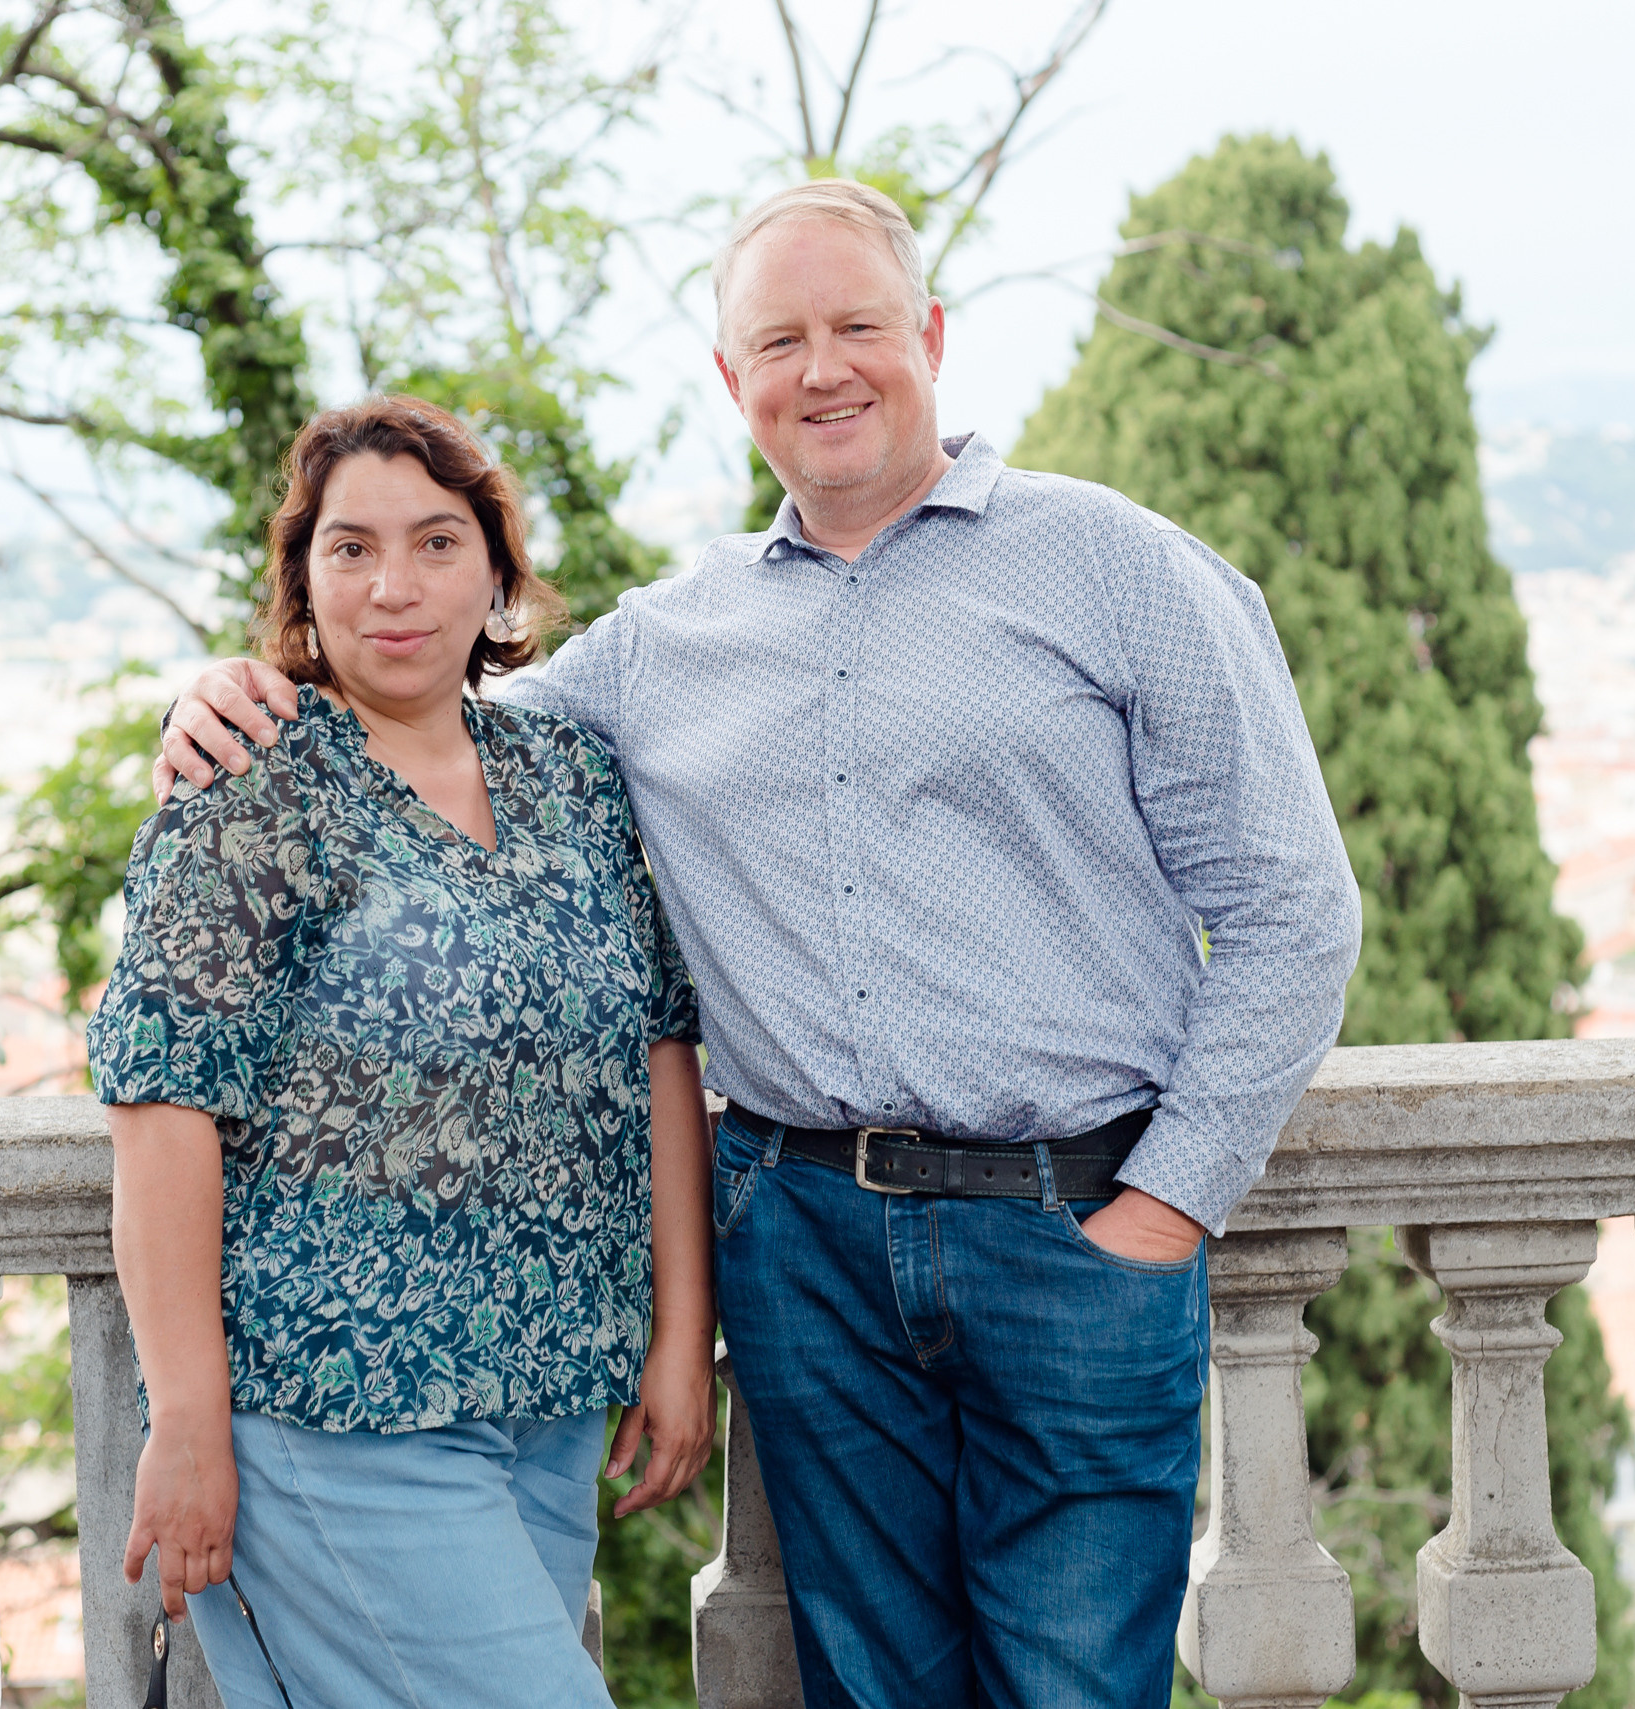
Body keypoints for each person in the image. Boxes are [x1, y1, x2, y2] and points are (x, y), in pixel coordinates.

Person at [156, 181, 1362, 1708]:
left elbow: (1290, 909)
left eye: (858, 325)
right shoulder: (672, 638)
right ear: (736, 385)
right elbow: (435, 731)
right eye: (778, 341)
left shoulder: (1117, 568)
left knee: (1074, 1687)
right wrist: (236, 693)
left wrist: (1168, 1209)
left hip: (1073, 1230)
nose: (824, 368)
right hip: (808, 1254)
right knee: (872, 1685)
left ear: (929, 335)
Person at [92, 395, 715, 1708]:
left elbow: (658, 1043)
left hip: (548, 1413)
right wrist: (188, 1417)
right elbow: (160, 1106)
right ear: (303, 583)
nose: (395, 585)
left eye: (437, 542)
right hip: (337, 1414)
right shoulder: (257, 779)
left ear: (496, 570)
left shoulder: (570, 774)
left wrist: (679, 1332)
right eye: (351, 547)